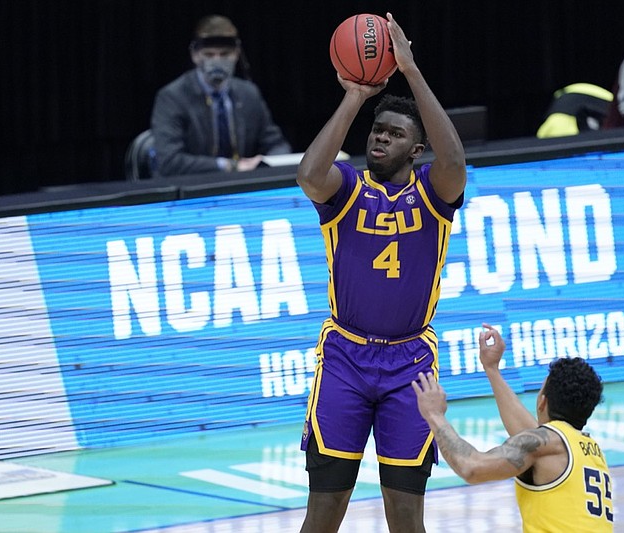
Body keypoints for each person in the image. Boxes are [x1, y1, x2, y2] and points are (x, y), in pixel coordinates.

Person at [296, 12, 466, 533]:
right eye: (377, 131)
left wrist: (412, 73)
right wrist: (355, 98)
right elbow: (308, 175)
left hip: (410, 364)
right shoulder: (345, 189)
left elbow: (455, 160)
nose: (379, 139)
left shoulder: (434, 194)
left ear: (416, 151)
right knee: (323, 514)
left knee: (405, 519)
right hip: (345, 357)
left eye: (393, 135)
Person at [412, 324, 613, 532]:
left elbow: (472, 467)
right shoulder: (587, 450)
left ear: (542, 402)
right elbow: (530, 431)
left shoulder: (547, 444)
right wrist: (492, 370)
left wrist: (434, 415)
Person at [151, 15, 291, 176]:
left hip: (243, 184)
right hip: (195, 188)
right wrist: (230, 166)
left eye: (224, 54)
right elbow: (169, 161)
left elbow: (276, 144)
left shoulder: (248, 93)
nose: (217, 61)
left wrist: (267, 163)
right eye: (209, 55)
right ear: (195, 55)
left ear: (237, 54)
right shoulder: (172, 97)